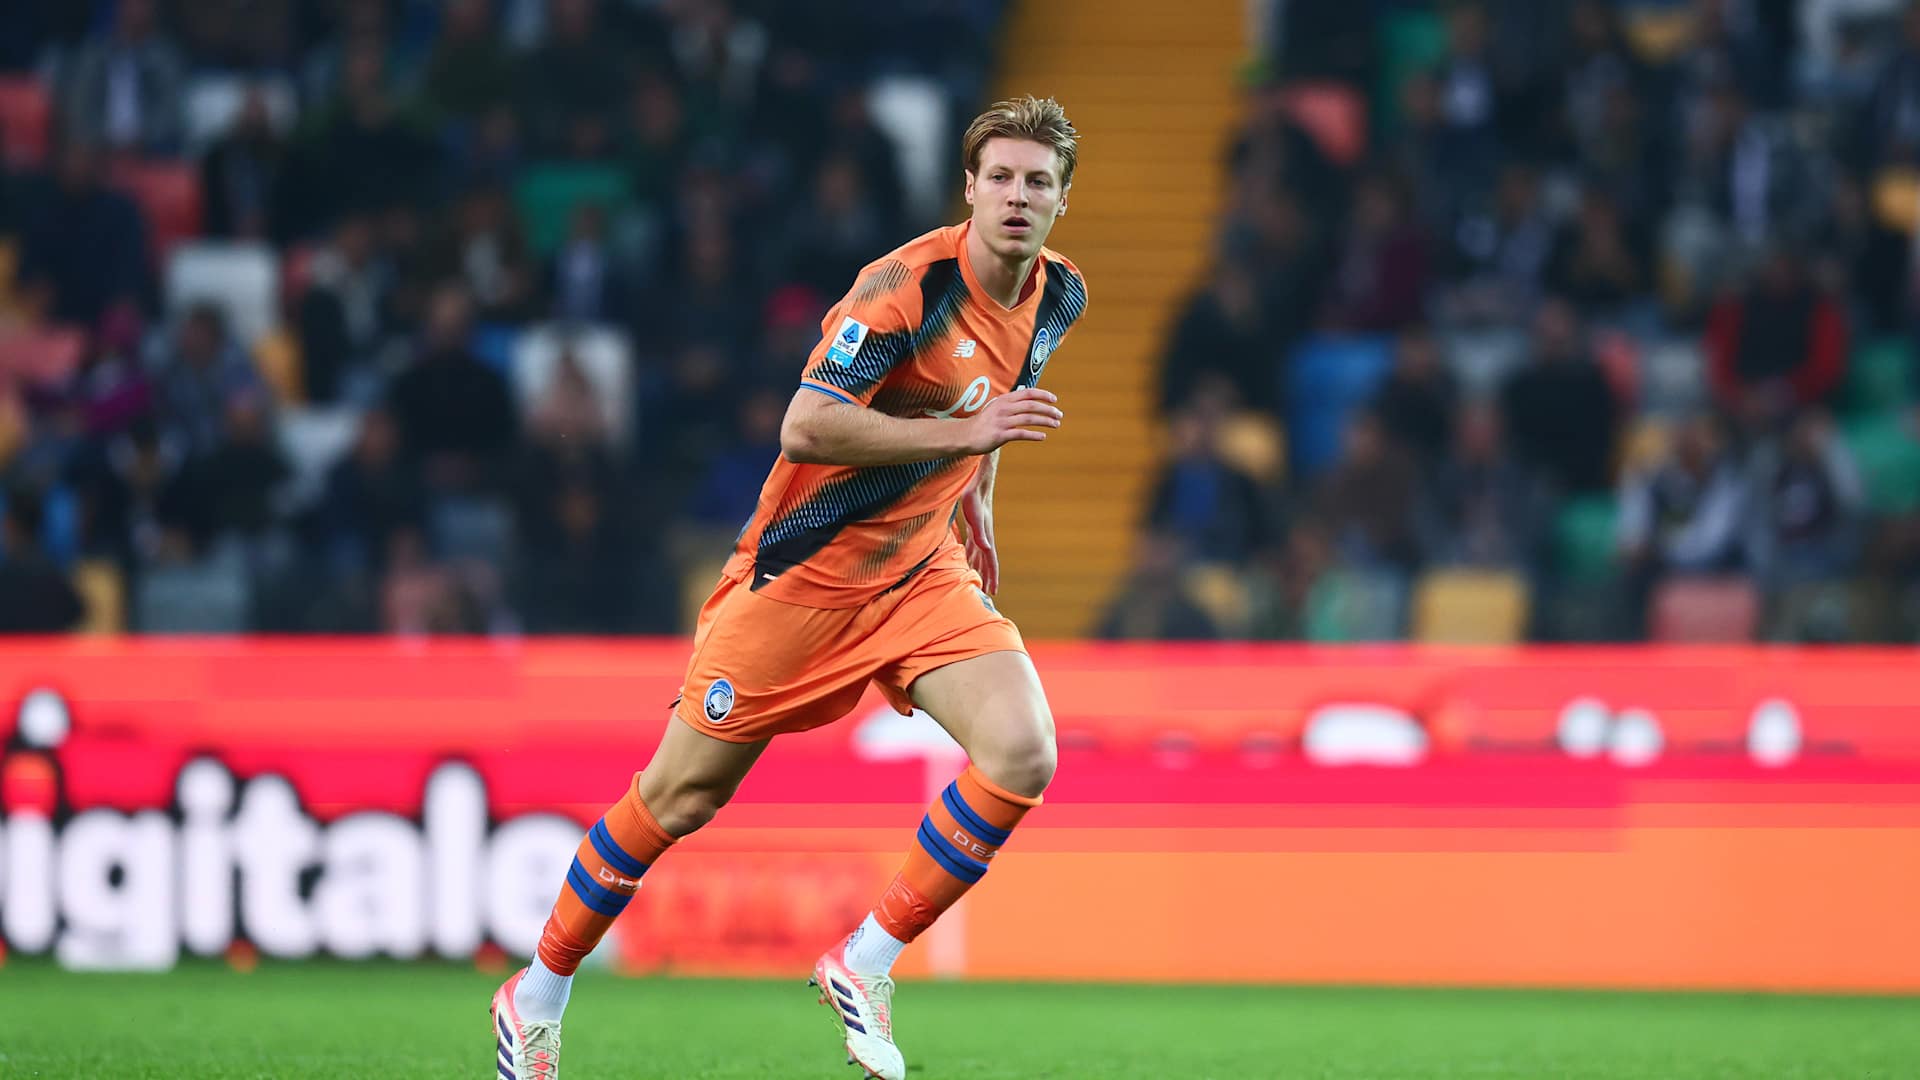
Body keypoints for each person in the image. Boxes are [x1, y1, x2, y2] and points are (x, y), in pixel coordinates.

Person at [490, 96, 1089, 1080]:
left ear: (1063, 200)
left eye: (1038, 181)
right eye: (1001, 178)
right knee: (678, 797)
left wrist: (978, 505)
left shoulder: (1059, 294)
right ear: (969, 189)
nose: (1017, 196)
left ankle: (866, 960)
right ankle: (539, 991)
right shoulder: (902, 290)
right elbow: (806, 426)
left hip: (918, 570)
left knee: (1024, 752)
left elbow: (994, 402)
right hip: (802, 577)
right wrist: (964, 438)